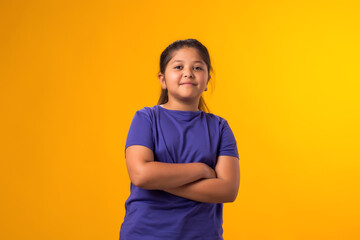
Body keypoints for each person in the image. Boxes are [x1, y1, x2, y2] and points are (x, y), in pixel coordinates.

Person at [119, 39, 240, 240]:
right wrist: (200, 170)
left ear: (207, 79)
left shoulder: (220, 127)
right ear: (163, 79)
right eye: (178, 66)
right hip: (145, 234)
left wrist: (158, 180)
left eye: (197, 67)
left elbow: (227, 190)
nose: (188, 73)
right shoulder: (146, 118)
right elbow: (141, 175)